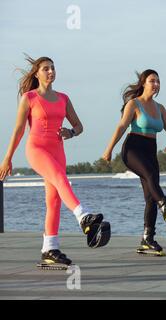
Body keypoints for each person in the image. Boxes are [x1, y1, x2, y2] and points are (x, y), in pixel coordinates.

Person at [0, 56, 110, 269]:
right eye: (46, 69)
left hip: (58, 150)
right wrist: (7, 158)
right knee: (60, 179)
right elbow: (19, 130)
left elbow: (79, 125)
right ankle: (83, 216)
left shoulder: (63, 98)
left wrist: (71, 132)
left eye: (52, 68)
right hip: (37, 149)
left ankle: (49, 249)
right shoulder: (29, 97)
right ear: (37, 73)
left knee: (54, 200)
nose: (51, 71)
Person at [102, 69, 166, 256]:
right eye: (152, 80)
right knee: (150, 176)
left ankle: (147, 239)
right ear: (143, 83)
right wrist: (109, 149)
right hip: (132, 149)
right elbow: (121, 126)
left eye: (158, 81)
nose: (155, 84)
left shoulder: (160, 108)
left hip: (150, 149)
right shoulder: (134, 104)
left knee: (150, 195)